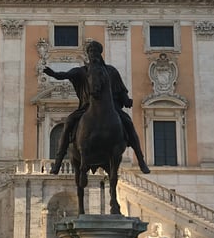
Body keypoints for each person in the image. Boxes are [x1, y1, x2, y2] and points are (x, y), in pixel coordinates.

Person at [44, 39, 151, 175]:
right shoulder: (83, 71)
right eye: (90, 51)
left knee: (128, 123)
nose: (92, 54)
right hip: (86, 107)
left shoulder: (111, 71)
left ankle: (141, 160)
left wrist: (126, 99)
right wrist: (53, 74)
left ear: (100, 54)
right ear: (88, 54)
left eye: (95, 51)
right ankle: (58, 162)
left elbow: (121, 89)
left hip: (111, 107)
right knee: (69, 123)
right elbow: (66, 75)